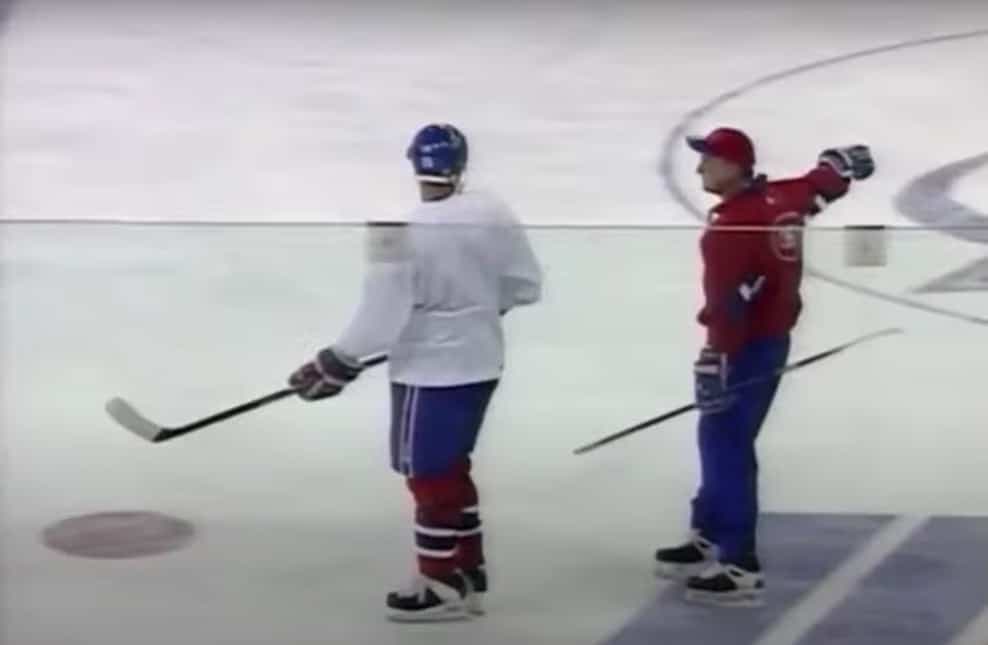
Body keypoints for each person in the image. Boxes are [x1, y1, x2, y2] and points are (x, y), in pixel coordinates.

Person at [288, 123, 542, 622]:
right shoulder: (493, 212)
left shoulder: (401, 232)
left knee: (427, 475)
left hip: (429, 372)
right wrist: (472, 313)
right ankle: (467, 568)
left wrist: (336, 361)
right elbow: (524, 286)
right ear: (461, 165)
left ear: (413, 164)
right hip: (482, 360)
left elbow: (381, 316)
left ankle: (439, 582)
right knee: (451, 466)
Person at [653, 127, 874, 606]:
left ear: (735, 167)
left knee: (725, 446)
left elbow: (728, 305)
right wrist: (840, 167)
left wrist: (715, 359)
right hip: (772, 341)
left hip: (744, 348)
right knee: (722, 440)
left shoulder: (729, 231)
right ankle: (710, 532)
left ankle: (739, 564)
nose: (700, 168)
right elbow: (818, 187)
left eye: (709, 159)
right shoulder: (780, 199)